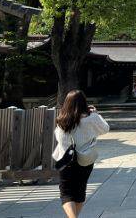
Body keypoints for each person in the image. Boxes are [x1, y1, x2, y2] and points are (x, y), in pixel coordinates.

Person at [52, 90, 110, 218]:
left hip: (66, 160)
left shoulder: (62, 121)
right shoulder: (91, 118)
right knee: (80, 192)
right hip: (86, 159)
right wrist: (96, 114)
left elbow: (59, 139)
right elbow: (105, 129)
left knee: (66, 193)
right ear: (84, 103)